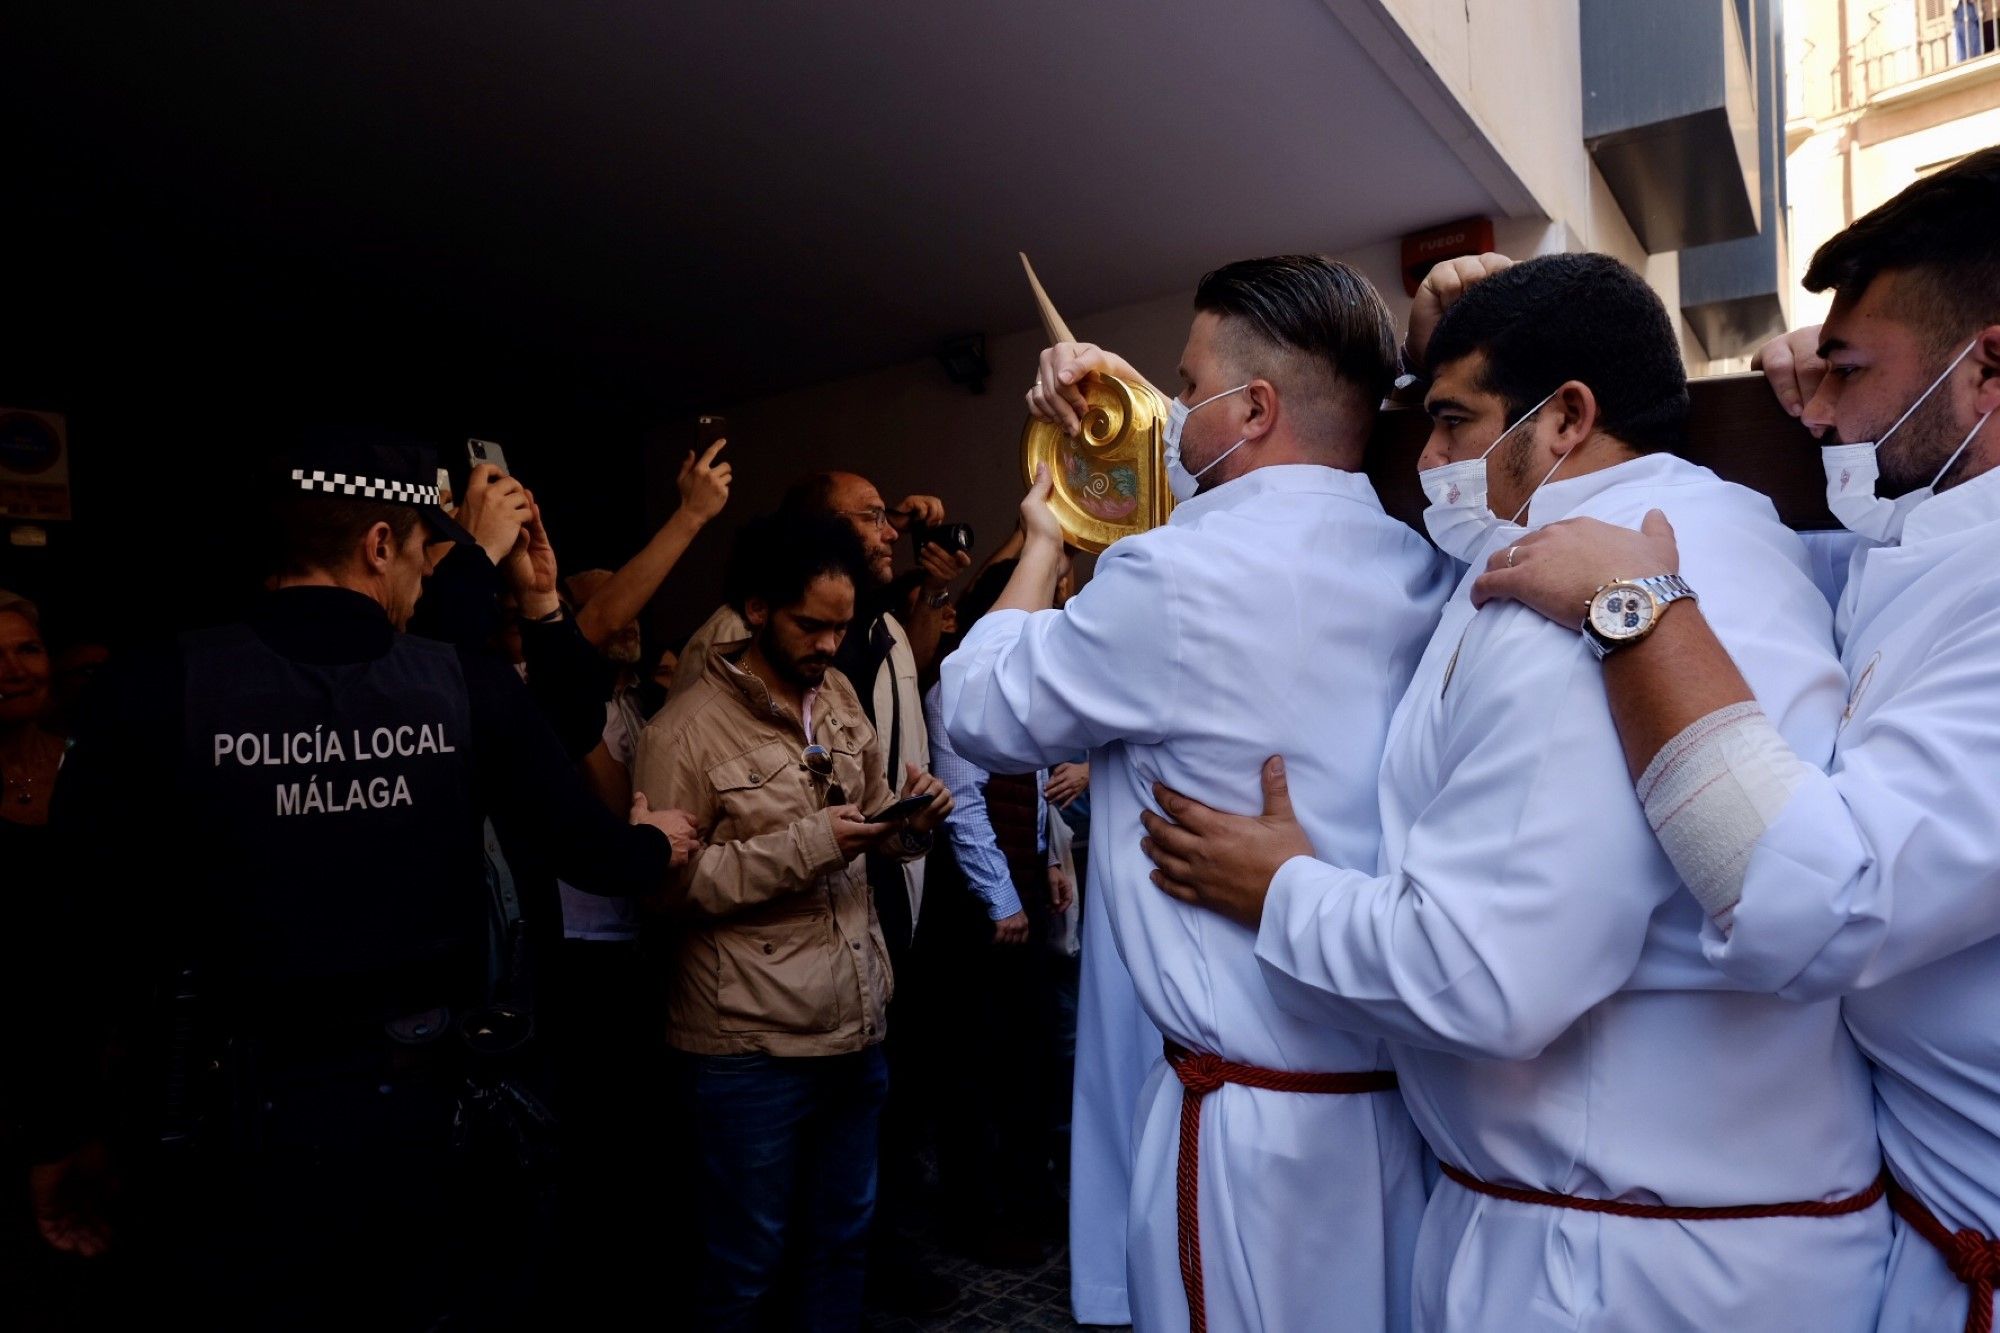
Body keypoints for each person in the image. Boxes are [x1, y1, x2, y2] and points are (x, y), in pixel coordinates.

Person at [1142, 253, 1889, 1332]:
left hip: (1603, 1261)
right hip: (1691, 1223)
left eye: (1450, 422)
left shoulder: (1561, 591)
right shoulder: (1735, 529)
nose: (1433, 459)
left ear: (1565, 418)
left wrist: (1282, 888)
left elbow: (1483, 975)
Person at [1473, 147, 2000, 1333]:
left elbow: (1815, 902)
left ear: (1987, 364)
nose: (1816, 409)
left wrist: (1637, 611)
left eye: (1848, 371)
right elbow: (1820, 564)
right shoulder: (1920, 540)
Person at [23, 436, 699, 1330]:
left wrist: (61, 1131)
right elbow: (589, 847)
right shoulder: (461, 681)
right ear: (380, 544)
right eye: (424, 553)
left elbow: (75, 931)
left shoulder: (155, 684)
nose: (427, 583)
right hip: (424, 1119)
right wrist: (653, 842)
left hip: (230, 1128)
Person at [941, 255, 1452, 1333]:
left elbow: (981, 706)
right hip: (1386, 1110)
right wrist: (1117, 403)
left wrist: (1044, 540)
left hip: (1245, 1126)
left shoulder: (1175, 577)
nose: (1171, 412)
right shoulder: (1415, 567)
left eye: (1185, 387)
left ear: (1253, 408)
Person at [633, 511, 952, 1333]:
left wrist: (912, 818)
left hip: (854, 1029)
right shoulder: (686, 731)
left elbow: (870, 811)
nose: (828, 644)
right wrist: (815, 841)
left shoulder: (840, 694)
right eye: (811, 625)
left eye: (841, 627)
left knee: (841, 1243)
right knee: (745, 1267)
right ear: (758, 608)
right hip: (748, 1049)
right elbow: (666, 889)